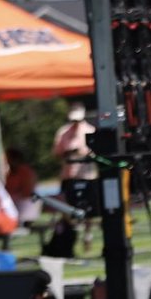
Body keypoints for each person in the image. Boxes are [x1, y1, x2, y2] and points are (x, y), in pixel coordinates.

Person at [53, 103, 98, 251]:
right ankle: (74, 231)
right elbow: (56, 153)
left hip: (87, 176)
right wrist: (68, 153)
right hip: (68, 177)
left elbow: (97, 153)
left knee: (89, 208)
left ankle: (87, 234)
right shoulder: (63, 132)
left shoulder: (90, 130)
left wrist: (83, 153)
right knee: (67, 208)